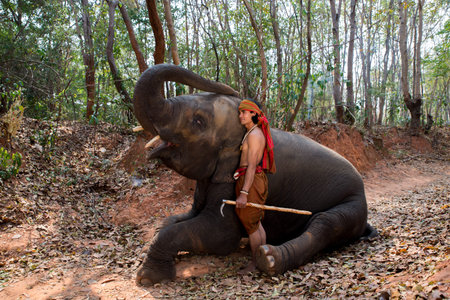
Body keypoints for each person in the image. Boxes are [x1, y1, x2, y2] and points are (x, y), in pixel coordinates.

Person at [234, 99, 276, 274]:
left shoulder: (254, 134)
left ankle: (254, 264)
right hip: (248, 179)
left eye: (244, 112)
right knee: (256, 224)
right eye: (240, 112)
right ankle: (262, 260)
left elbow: (251, 166)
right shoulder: (251, 132)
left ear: (253, 113)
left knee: (251, 225)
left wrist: (244, 192)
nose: (240, 115)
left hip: (250, 181)